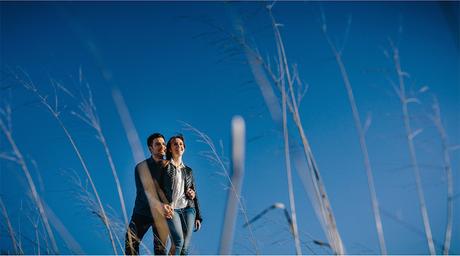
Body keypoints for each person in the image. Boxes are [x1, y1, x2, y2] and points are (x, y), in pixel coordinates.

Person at [125, 133, 173, 255]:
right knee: (130, 244)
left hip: (162, 215)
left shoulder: (170, 167)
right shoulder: (141, 167)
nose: (162, 146)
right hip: (142, 212)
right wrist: (158, 204)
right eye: (157, 144)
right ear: (150, 148)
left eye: (163, 144)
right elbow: (143, 191)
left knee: (160, 250)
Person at [160, 135, 202, 255]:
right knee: (178, 241)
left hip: (188, 209)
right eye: (176, 144)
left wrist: (198, 216)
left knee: (185, 246)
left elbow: (195, 193)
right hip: (172, 209)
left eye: (181, 144)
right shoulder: (165, 166)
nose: (179, 146)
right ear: (169, 149)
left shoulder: (188, 170)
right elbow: (158, 188)